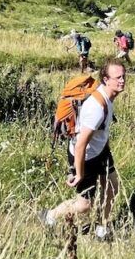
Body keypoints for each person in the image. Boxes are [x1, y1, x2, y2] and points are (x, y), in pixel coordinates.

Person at [39, 57, 126, 239]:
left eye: (123, 76)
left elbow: (101, 131)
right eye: (117, 77)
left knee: (111, 187)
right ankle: (49, 216)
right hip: (85, 157)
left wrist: (105, 148)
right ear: (105, 79)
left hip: (100, 150)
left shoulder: (108, 96)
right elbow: (80, 144)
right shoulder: (95, 107)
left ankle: (102, 229)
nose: (122, 80)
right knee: (84, 205)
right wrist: (79, 173)